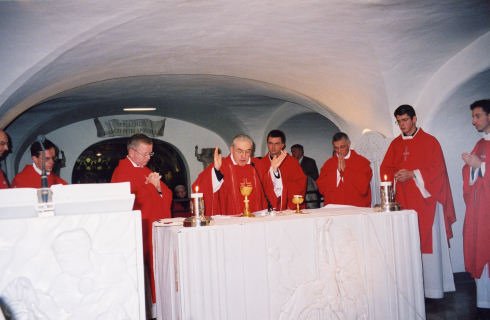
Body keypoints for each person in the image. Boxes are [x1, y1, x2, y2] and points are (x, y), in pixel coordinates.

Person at [380, 104, 456, 299]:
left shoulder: (430, 142)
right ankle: (412, 290)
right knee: (407, 246)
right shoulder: (395, 145)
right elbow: (385, 168)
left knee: (428, 243)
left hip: (426, 203)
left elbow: (438, 171)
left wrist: (413, 174)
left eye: (405, 120)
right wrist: (396, 176)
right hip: (404, 202)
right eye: (399, 122)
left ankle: (433, 290)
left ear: (414, 119)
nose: (402, 125)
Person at [111, 133, 172, 312]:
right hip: (138, 231)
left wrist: (159, 187)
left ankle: (157, 306)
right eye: (144, 154)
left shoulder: (145, 171)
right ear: (131, 151)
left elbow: (166, 196)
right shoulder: (121, 171)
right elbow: (128, 201)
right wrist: (150, 186)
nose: (147, 158)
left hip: (152, 228)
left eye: (150, 154)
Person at [192, 134, 279, 215]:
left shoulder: (258, 165)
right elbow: (201, 188)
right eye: (239, 151)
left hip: (256, 219)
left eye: (247, 152)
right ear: (232, 149)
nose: (243, 156)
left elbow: (273, 189)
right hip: (230, 221)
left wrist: (274, 171)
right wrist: (216, 171)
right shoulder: (221, 164)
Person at [461, 99, 490, 313]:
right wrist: (471, 168)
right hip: (480, 212)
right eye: (473, 116)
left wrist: (479, 166)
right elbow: (471, 176)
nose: (473, 121)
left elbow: (481, 168)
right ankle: (484, 300)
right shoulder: (480, 144)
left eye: (477, 116)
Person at [316, 132, 372, 207]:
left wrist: (346, 170)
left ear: (349, 144)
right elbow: (321, 188)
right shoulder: (328, 164)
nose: (339, 151)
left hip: (356, 207)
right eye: (336, 148)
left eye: (342, 147)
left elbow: (364, 188)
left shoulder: (362, 162)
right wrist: (337, 173)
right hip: (333, 207)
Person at [258, 130, 306, 210]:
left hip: (289, 207)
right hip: (268, 207)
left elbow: (301, 184)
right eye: (270, 143)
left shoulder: (292, 162)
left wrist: (283, 189)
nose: (273, 147)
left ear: (282, 145)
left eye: (276, 144)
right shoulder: (261, 163)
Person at [291, 144, 320, 208]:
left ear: (301, 151)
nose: (292, 153)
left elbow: (315, 176)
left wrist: (302, 176)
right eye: (292, 151)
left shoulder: (310, 161)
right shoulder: (291, 163)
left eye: (294, 151)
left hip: (309, 193)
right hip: (296, 193)